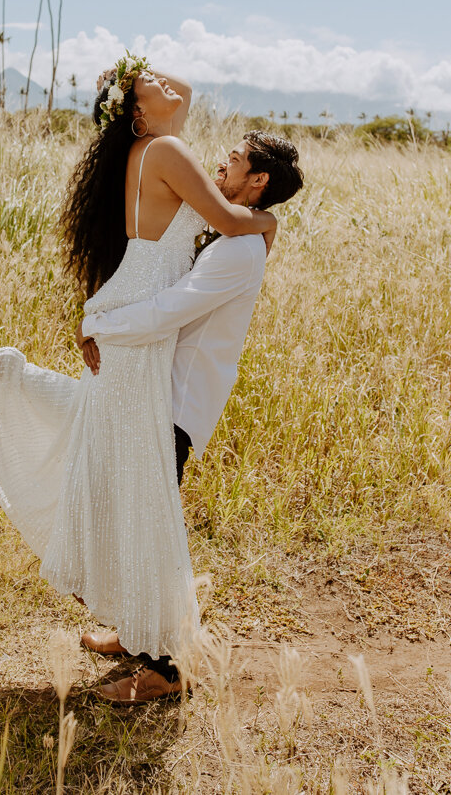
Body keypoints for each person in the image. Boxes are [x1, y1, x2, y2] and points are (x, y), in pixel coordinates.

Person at [0, 54, 275, 703]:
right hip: (134, 324)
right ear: (134, 115)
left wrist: (134, 77)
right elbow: (232, 221)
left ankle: (148, 642)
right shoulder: (167, 149)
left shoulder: (144, 150)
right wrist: (269, 223)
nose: (164, 86)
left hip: (130, 314)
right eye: (145, 89)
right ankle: (155, 651)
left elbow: (181, 89)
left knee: (133, 488)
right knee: (137, 494)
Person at [74, 131, 304, 700]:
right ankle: (136, 633)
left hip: (177, 403)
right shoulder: (237, 232)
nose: (222, 159)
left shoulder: (239, 248)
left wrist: (101, 324)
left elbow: (173, 309)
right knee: (137, 518)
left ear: (259, 181)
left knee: (151, 526)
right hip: (160, 390)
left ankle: (168, 669)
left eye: (237, 158)